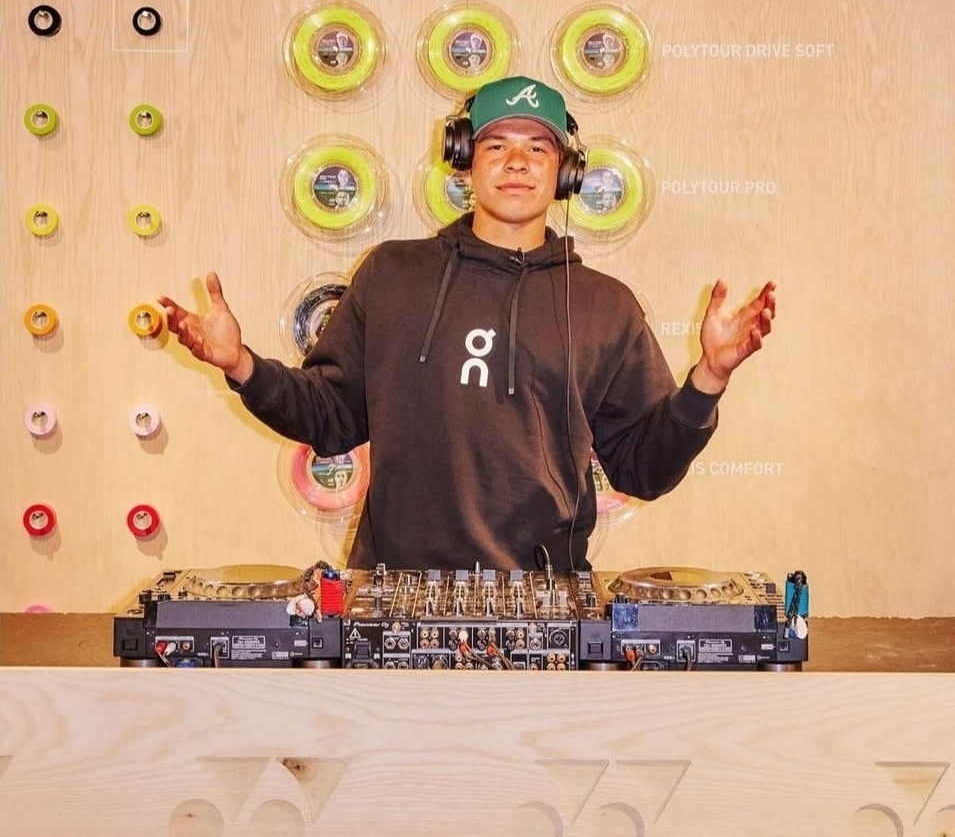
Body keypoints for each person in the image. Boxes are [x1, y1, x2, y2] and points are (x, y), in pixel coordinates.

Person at [159, 75, 775, 573]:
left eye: (538, 148)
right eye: (496, 146)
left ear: (565, 171)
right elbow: (329, 416)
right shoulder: (392, 274)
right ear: (465, 161)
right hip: (394, 594)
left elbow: (645, 469)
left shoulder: (604, 305)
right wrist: (241, 365)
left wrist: (708, 379)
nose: (517, 162)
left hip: (544, 603)